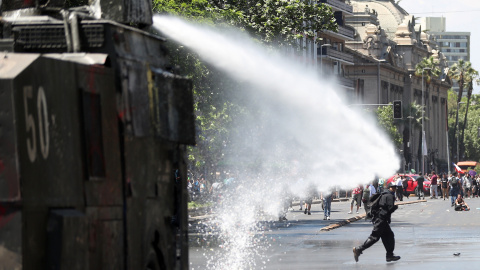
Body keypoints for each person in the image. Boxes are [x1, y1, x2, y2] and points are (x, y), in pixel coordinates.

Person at [353, 182, 401, 263]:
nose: (394, 189)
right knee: (374, 237)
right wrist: (395, 207)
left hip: (380, 219)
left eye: (395, 187)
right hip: (381, 219)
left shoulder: (383, 194)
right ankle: (358, 249)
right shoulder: (389, 196)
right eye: (393, 187)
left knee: (389, 235)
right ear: (389, 188)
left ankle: (389, 255)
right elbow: (390, 208)